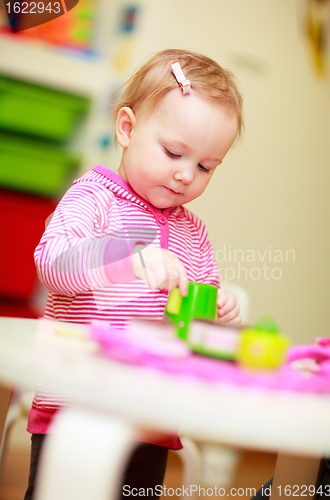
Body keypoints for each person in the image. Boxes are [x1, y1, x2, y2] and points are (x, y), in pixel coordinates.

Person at [24, 48, 244, 500]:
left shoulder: (194, 232)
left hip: (151, 414)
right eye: (174, 152)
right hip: (75, 402)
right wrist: (128, 258)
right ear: (127, 129)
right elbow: (53, 264)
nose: (186, 175)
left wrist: (219, 314)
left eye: (205, 167)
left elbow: (194, 322)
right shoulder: (95, 196)